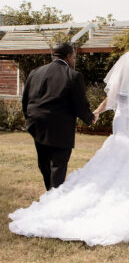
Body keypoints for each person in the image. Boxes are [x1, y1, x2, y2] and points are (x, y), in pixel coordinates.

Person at [9, 51, 129, 246]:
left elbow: (109, 102)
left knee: (116, 153)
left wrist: (95, 112)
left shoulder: (118, 79)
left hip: (120, 122)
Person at [21, 43, 95, 191]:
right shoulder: (73, 76)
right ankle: (53, 200)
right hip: (60, 128)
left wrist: (30, 120)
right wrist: (90, 118)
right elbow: (80, 105)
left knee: (44, 162)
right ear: (68, 56)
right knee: (58, 165)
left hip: (37, 125)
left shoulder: (35, 72)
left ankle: (50, 192)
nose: (73, 61)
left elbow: (25, 99)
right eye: (73, 57)